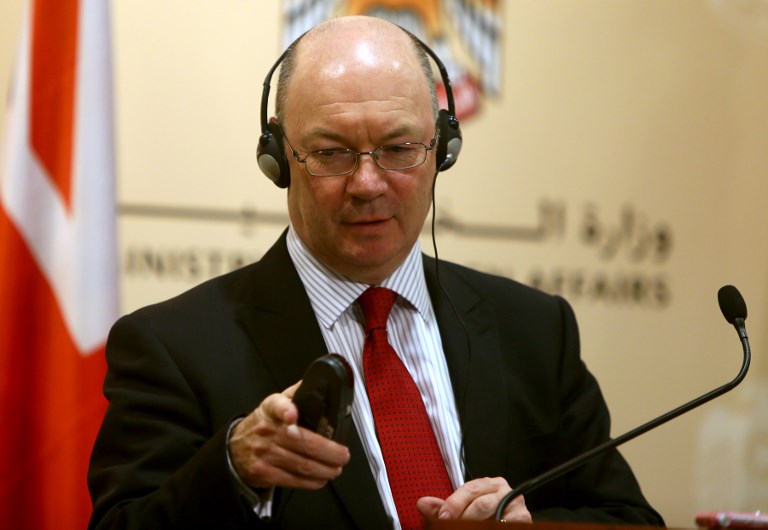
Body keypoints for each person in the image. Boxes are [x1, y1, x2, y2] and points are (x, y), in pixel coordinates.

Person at [88, 16, 664, 530]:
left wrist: (528, 528)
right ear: (278, 158)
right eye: (331, 152)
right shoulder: (173, 347)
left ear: (442, 149)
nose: (368, 183)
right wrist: (234, 468)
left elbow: (627, 519)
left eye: (399, 147)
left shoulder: (535, 330)